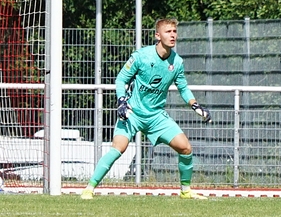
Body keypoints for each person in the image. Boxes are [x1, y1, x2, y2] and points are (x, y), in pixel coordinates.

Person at [81, 18, 212, 200]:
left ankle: (186, 191)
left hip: (156, 116)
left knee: (185, 148)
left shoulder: (177, 62)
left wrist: (195, 105)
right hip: (132, 113)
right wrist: (122, 101)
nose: (173, 35)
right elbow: (121, 79)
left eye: (174, 31)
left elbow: (183, 88)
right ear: (158, 35)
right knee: (118, 148)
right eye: (168, 31)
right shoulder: (141, 56)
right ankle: (89, 188)